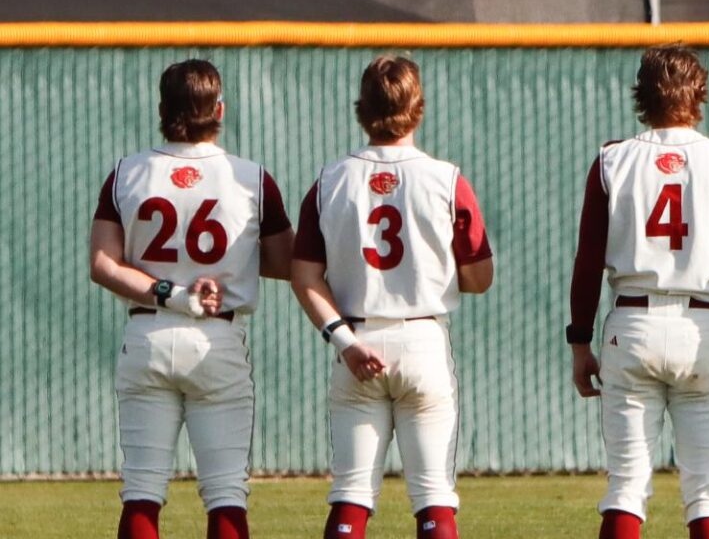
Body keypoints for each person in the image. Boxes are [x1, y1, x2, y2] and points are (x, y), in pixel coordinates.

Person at [567, 45, 709, 539]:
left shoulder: (612, 160)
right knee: (706, 490)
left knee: (626, 489)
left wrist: (579, 343)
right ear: (699, 94)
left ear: (642, 95)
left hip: (633, 322)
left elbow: (588, 260)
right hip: (704, 324)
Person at [290, 55, 494, 539]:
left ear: (362, 109)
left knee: (351, 497)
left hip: (356, 339)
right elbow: (480, 277)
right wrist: (433, 271)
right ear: (417, 108)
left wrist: (345, 342)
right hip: (422, 338)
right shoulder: (446, 179)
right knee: (434, 500)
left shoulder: (330, 180)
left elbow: (304, 277)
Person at [90, 59, 292, 539]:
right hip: (217, 338)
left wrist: (172, 292)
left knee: (141, 489)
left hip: (148, 332)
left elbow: (103, 264)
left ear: (162, 109)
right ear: (219, 109)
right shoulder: (250, 177)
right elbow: (285, 262)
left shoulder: (127, 173)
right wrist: (231, 265)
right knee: (225, 494)